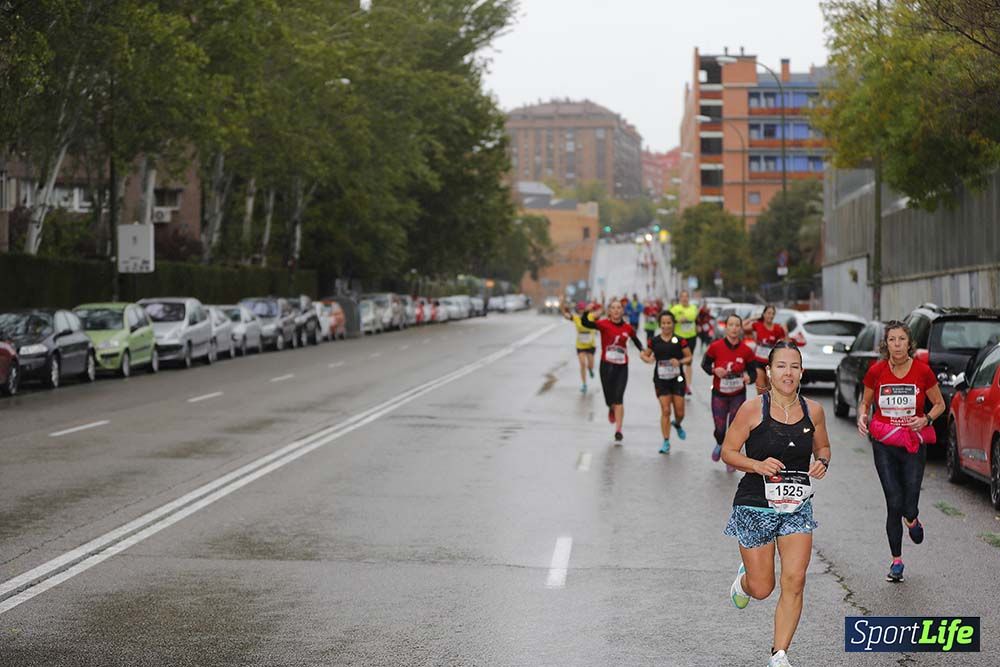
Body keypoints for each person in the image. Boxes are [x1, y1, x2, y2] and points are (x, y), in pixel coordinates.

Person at [721, 341, 831, 667]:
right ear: (769, 372)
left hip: (796, 505)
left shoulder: (815, 411)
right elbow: (728, 451)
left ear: (801, 372)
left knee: (795, 579)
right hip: (755, 503)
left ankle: (779, 654)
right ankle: (744, 580)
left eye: (794, 366)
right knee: (762, 587)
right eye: (781, 366)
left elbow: (823, 448)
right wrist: (757, 465)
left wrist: (822, 462)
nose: (788, 372)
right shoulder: (753, 409)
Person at [857, 320, 945, 583]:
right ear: (887, 344)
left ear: (909, 343)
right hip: (884, 443)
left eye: (901, 340)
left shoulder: (922, 372)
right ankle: (896, 561)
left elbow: (939, 404)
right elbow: (866, 402)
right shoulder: (876, 371)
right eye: (892, 340)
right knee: (893, 502)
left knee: (909, 503)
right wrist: (863, 417)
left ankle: (913, 519)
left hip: (913, 443)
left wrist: (926, 419)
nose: (897, 345)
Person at [579, 299, 645, 443]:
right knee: (610, 399)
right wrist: (586, 312)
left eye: (619, 308)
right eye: (613, 308)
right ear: (609, 311)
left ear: (622, 311)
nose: (616, 310)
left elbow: (636, 341)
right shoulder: (603, 324)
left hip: (622, 367)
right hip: (606, 366)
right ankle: (611, 407)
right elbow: (585, 323)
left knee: (619, 398)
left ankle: (618, 430)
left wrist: (643, 351)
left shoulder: (628, 328)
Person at [702, 314, 755, 470]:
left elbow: (753, 372)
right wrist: (714, 370)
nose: (734, 328)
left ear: (740, 329)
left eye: (737, 325)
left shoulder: (746, 350)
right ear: (726, 327)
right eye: (730, 325)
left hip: (738, 394)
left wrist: (748, 378)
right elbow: (704, 364)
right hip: (719, 394)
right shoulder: (715, 346)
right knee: (720, 429)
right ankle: (720, 443)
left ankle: (730, 459)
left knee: (734, 428)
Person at [640, 311, 692, 453]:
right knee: (666, 410)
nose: (666, 325)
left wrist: (679, 361)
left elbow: (689, 357)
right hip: (661, 380)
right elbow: (645, 354)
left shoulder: (680, 340)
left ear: (673, 324)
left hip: (678, 379)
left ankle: (678, 423)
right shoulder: (655, 341)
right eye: (663, 323)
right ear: (660, 325)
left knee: (680, 412)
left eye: (669, 322)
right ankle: (666, 441)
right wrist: (647, 359)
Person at [560, 301, 598, 394]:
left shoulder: (591, 316)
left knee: (590, 365)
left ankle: (590, 370)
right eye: (580, 309)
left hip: (590, 345)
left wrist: (600, 301)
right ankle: (584, 384)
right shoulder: (576, 318)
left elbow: (601, 312)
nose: (581, 311)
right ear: (578, 310)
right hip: (580, 346)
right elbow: (565, 315)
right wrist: (562, 303)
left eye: (583, 309)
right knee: (582, 364)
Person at [750, 305, 787, 394]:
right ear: (764, 314)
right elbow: (743, 326)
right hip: (758, 361)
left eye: (773, 314)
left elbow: (785, 343)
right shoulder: (758, 325)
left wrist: (786, 331)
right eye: (768, 313)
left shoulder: (777, 328)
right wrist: (753, 318)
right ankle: (762, 407)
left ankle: (769, 407)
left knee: (770, 390)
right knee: (761, 389)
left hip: (771, 362)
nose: (770, 316)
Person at [670, 291, 699, 396]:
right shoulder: (675, 309)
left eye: (686, 296)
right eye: (682, 297)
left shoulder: (693, 308)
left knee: (689, 361)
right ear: (680, 298)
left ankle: (688, 385)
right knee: (678, 361)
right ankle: (677, 383)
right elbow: (670, 318)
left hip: (691, 337)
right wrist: (678, 319)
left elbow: (692, 316)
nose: (684, 298)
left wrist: (683, 318)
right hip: (678, 338)